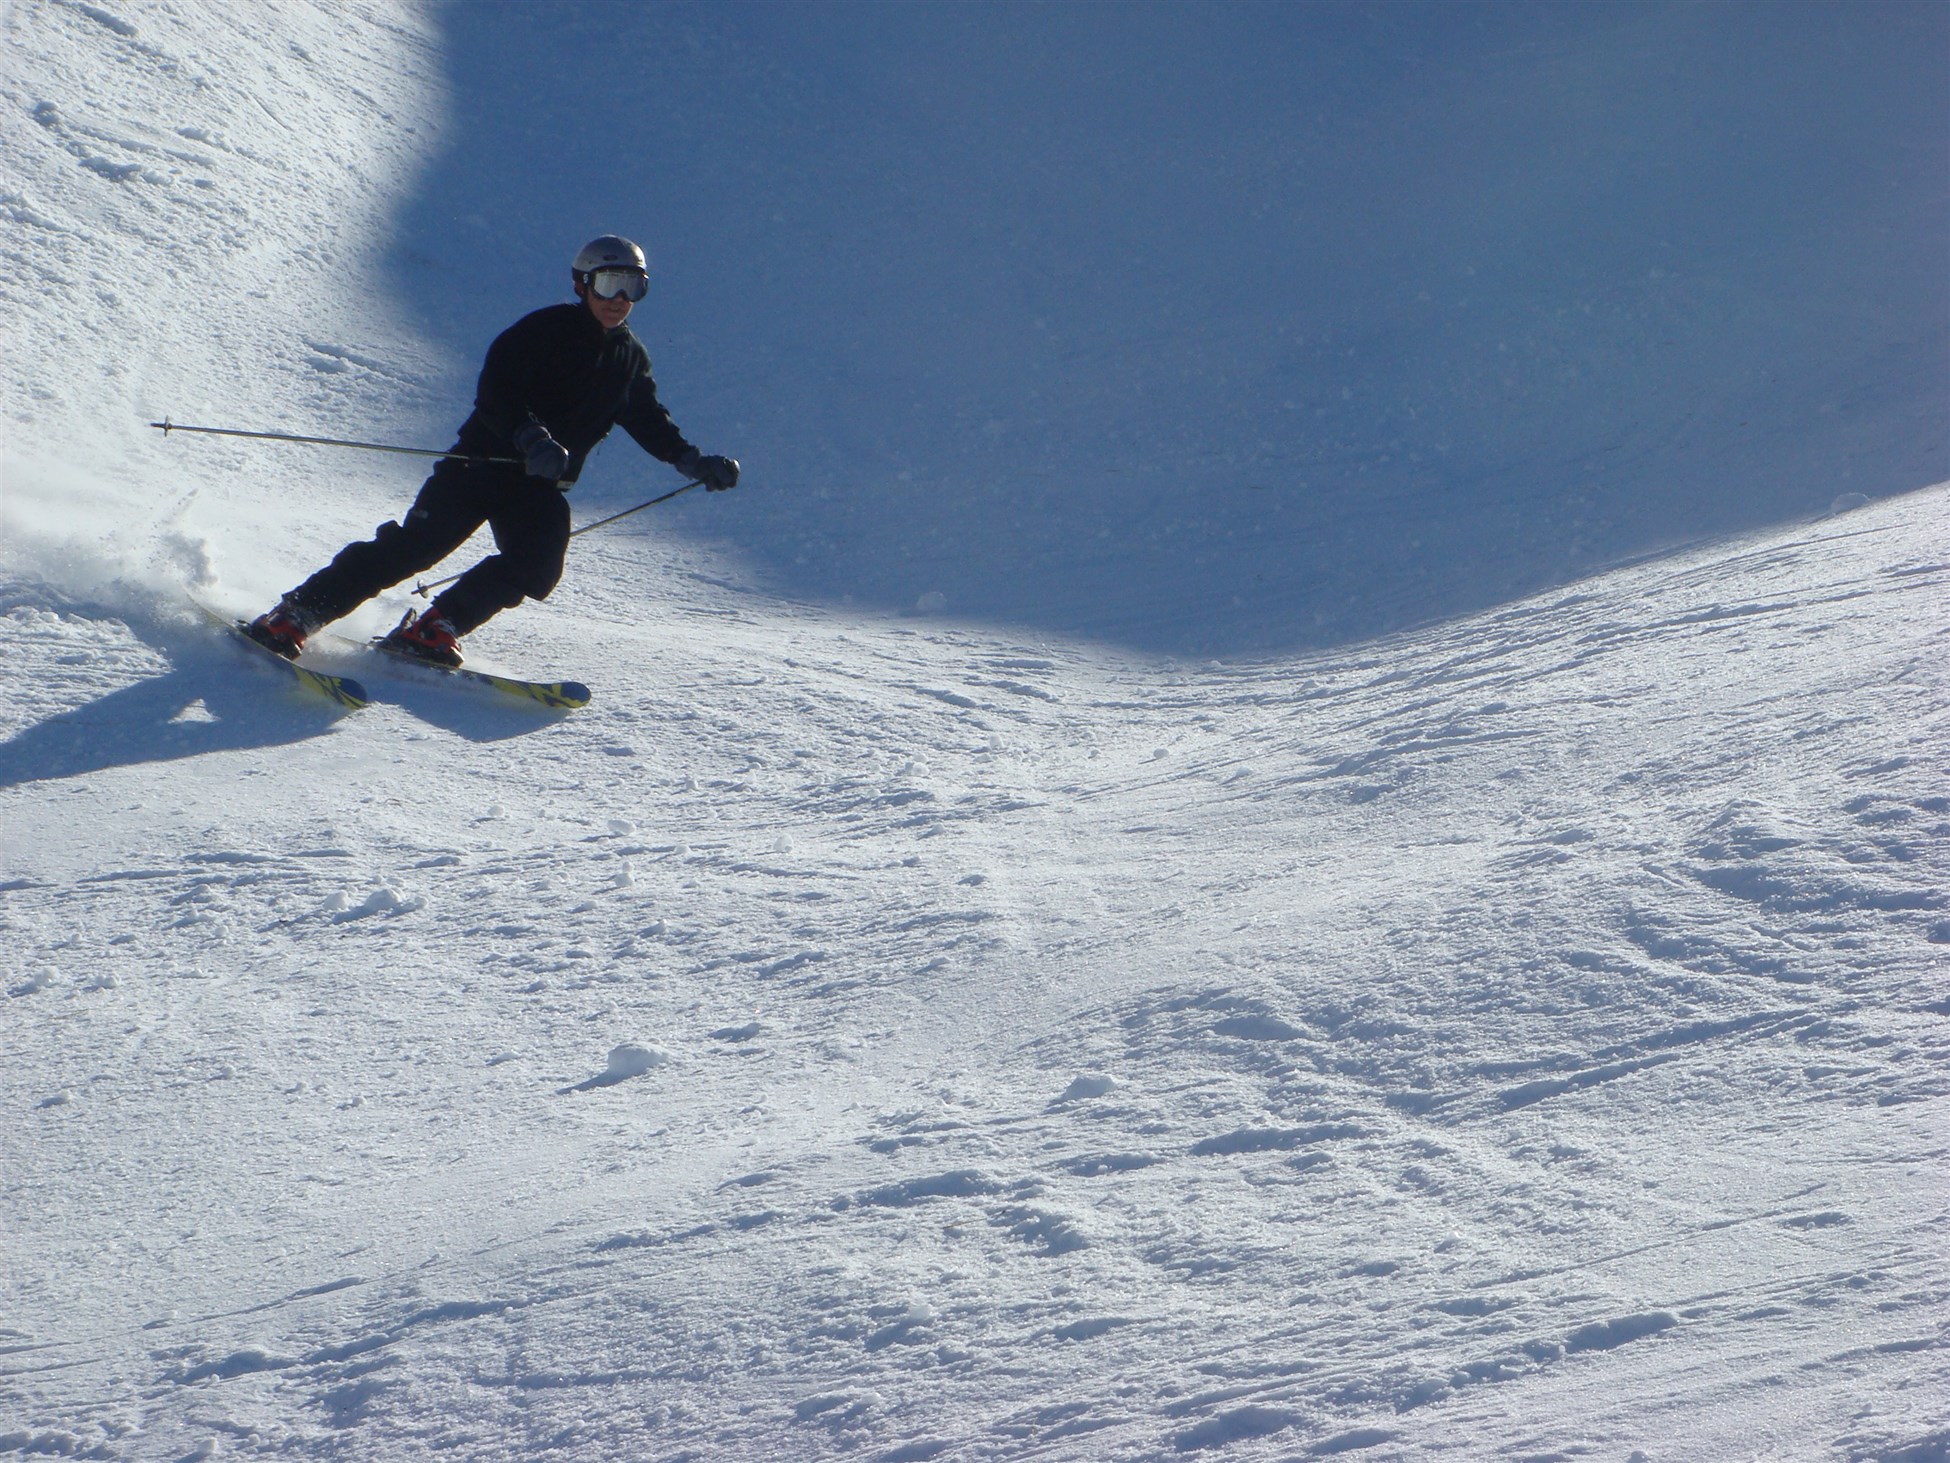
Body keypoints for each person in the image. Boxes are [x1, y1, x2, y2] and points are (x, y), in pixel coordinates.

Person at [246, 235, 739, 667]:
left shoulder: (629, 358)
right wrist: (530, 437)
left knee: (537, 563)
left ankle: (433, 629)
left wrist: (692, 461)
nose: (620, 299)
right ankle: (295, 614)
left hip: (538, 484)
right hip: (481, 466)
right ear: (582, 284)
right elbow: (495, 394)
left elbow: (648, 418)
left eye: (634, 287)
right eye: (610, 283)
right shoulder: (541, 331)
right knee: (414, 549)